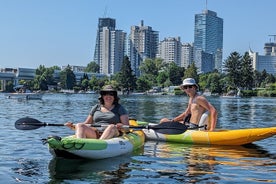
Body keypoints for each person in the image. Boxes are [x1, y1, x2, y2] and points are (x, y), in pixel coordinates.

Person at [65, 85, 129, 139]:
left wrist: (121, 126)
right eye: (105, 94)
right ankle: (79, 143)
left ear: (114, 96)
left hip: (113, 132)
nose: (108, 96)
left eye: (111, 94)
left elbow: (127, 128)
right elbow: (86, 123)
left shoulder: (120, 108)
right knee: (80, 125)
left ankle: (100, 144)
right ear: (102, 96)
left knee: (111, 126)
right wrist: (73, 126)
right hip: (96, 132)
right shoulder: (96, 107)